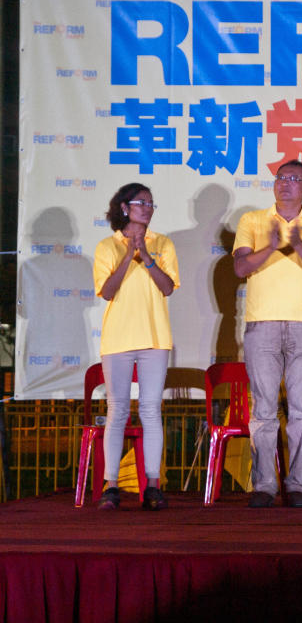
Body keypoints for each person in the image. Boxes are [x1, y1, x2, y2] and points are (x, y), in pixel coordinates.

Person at [233, 159, 302, 508]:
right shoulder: (252, 220)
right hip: (262, 324)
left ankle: (298, 485)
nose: (286, 184)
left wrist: (297, 243)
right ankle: (263, 485)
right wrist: (273, 245)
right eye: (281, 178)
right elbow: (241, 266)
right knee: (263, 408)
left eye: (295, 179)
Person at [93, 183, 179, 511]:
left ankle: (153, 485)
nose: (147, 207)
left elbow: (168, 288)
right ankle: (111, 486)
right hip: (118, 339)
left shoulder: (163, 244)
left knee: (150, 410)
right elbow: (108, 292)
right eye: (140, 202)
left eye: (151, 203)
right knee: (117, 411)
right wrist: (129, 253)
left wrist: (148, 257)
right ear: (124, 207)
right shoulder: (106, 246)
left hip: (155, 338)